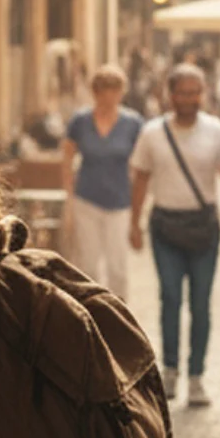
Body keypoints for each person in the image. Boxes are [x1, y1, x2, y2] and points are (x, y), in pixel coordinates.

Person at [128, 64, 220, 408]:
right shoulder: (151, 133)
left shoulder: (217, 132)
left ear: (203, 95)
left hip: (204, 227)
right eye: (182, 92)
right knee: (169, 298)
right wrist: (134, 223)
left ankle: (196, 376)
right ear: (170, 94)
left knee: (201, 303)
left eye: (195, 93)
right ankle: (170, 369)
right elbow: (140, 180)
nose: (189, 99)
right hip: (165, 226)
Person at [61, 66, 144, 301]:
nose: (108, 97)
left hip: (119, 199)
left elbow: (141, 164)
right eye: (103, 92)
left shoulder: (132, 123)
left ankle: (118, 315)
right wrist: (69, 197)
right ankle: (90, 312)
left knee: (117, 267)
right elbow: (67, 158)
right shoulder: (80, 121)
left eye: (114, 91)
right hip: (86, 197)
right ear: (95, 93)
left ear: (121, 93)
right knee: (87, 265)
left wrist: (140, 204)